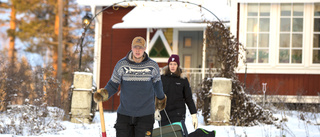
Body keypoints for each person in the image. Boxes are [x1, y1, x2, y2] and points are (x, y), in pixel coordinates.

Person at [93, 36, 167, 137]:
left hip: (145, 115)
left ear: (145, 49)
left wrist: (161, 99)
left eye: (140, 47)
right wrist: (103, 93)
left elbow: (158, 85)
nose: (137, 50)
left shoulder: (152, 66)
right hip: (125, 114)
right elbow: (113, 84)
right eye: (135, 47)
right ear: (131, 47)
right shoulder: (121, 65)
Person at [155, 54, 198, 136]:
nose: (172, 66)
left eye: (175, 64)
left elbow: (188, 98)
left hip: (178, 114)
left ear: (178, 65)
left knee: (177, 134)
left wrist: (194, 114)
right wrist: (156, 109)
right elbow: (155, 94)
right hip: (164, 114)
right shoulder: (162, 78)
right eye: (170, 64)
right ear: (168, 65)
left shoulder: (183, 80)